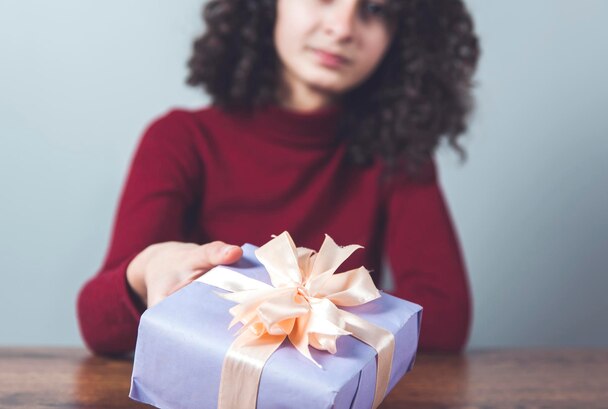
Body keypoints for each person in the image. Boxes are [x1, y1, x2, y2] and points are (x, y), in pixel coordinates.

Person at [77, 0, 480, 356]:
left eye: (376, 9)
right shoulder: (180, 139)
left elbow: (444, 321)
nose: (342, 28)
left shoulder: (397, 156)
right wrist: (145, 272)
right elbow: (98, 325)